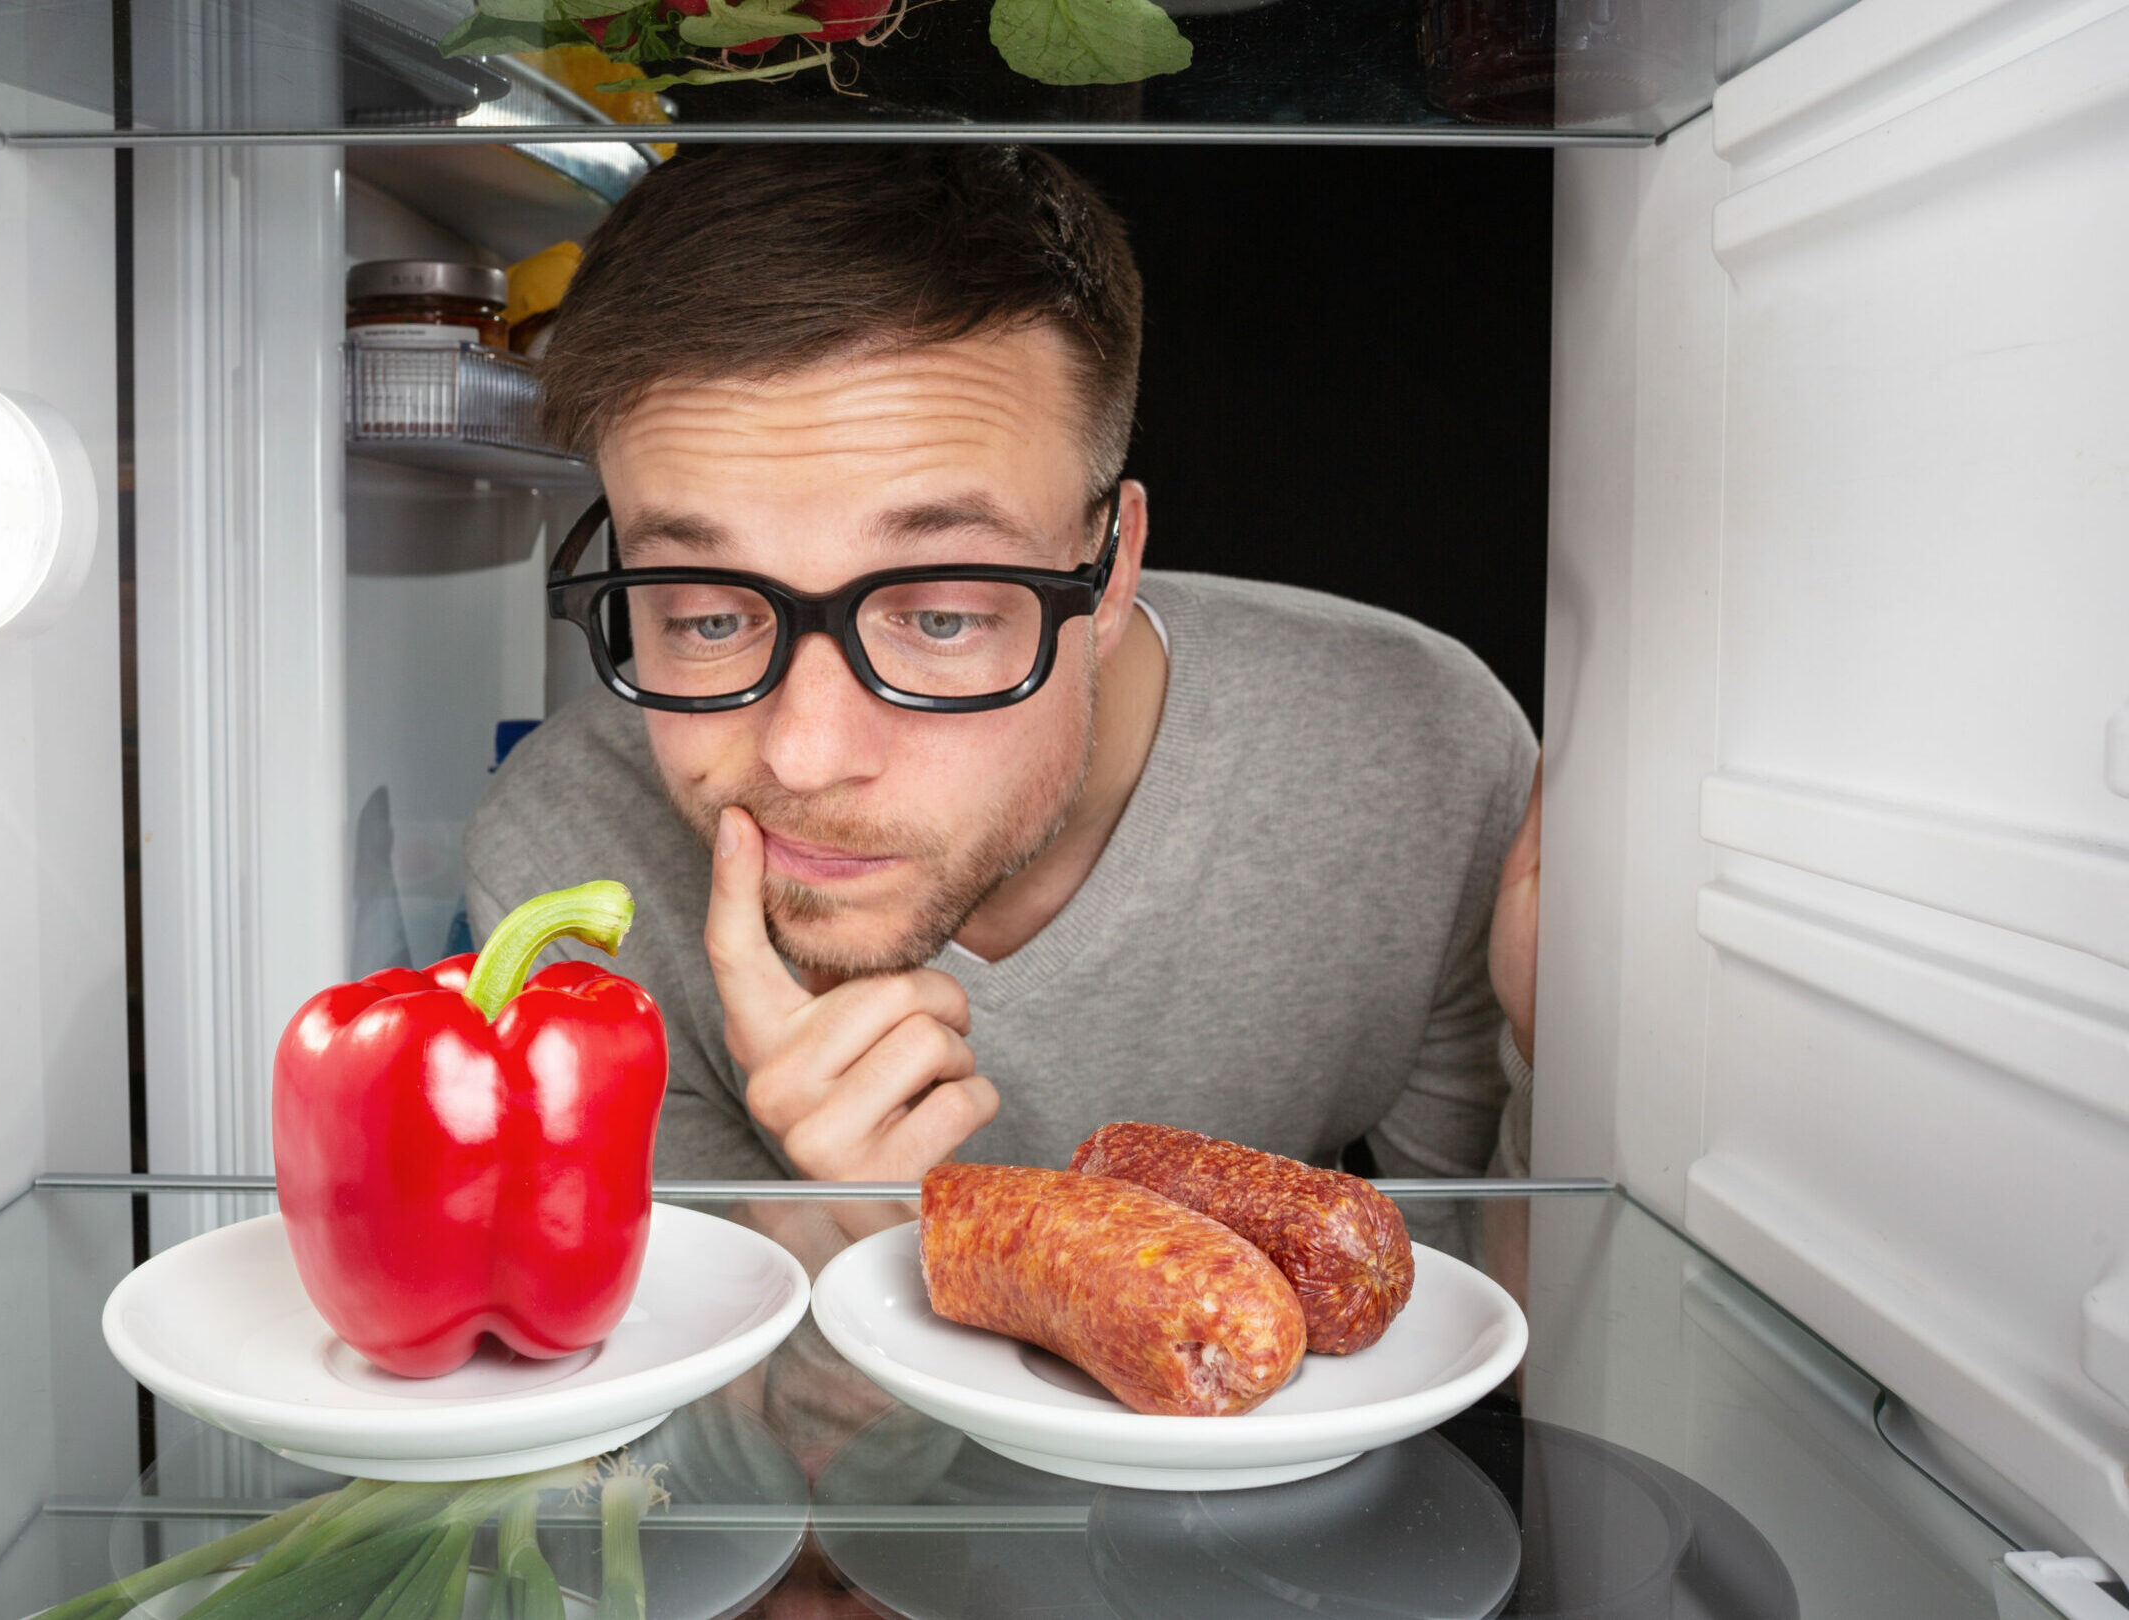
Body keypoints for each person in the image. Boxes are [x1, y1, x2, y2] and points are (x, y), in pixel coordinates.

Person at [465, 144, 1542, 1188]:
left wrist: (1569, 1060)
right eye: (706, 618)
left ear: (1110, 570)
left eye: (939, 616)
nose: (805, 756)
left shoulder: (1419, 760)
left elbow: (1496, 1290)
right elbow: (647, 1299)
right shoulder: (565, 854)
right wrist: (820, 1231)